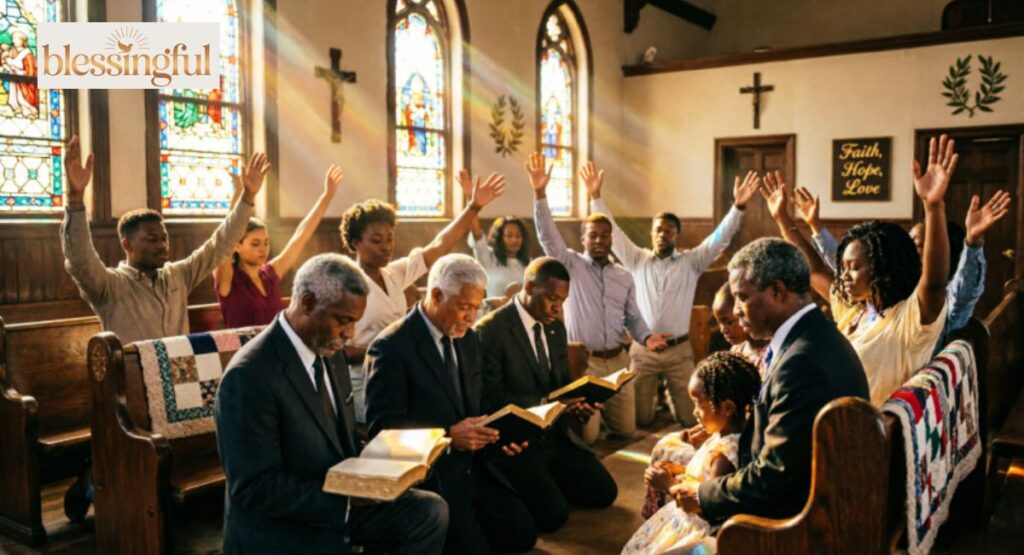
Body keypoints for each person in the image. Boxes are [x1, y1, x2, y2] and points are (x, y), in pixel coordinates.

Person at [59, 137, 264, 522]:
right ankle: (94, 479)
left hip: (179, 384)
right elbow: (79, 260)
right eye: (151, 239)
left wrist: (247, 199)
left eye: (164, 236)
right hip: (129, 391)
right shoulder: (109, 286)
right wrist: (75, 198)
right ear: (126, 244)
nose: (162, 244)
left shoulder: (178, 276)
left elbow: (219, 246)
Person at [215, 254, 447, 554]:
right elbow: (256, 490)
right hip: (284, 527)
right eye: (343, 321)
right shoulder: (249, 377)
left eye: (354, 323)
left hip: (335, 501)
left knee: (429, 512)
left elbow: (339, 438)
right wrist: (350, 498)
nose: (350, 334)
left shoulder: (329, 351)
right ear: (308, 303)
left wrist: (393, 464)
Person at [672, 238, 869, 524]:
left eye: (742, 297)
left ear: (777, 290)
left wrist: (704, 494)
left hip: (792, 521)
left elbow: (774, 477)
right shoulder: (812, 335)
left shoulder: (802, 362)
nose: (737, 310)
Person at [763, 134, 957, 404]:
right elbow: (816, 271)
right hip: (837, 422)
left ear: (881, 269)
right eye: (843, 267)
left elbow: (934, 282)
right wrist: (783, 218)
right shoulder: (857, 311)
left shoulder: (909, 320)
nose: (844, 276)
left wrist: (933, 206)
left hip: (874, 432)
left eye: (853, 268)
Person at [365, 254, 537, 554]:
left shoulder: (467, 339)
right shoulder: (391, 347)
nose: (472, 318)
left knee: (522, 534)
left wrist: (501, 434)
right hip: (432, 474)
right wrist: (447, 436)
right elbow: (383, 431)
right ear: (435, 295)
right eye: (464, 307)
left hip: (474, 465)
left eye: (477, 307)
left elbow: (477, 404)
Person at [585, 162, 760, 428]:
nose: (663, 234)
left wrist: (738, 207)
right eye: (658, 229)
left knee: (692, 420)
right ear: (652, 233)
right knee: (641, 419)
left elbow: (718, 240)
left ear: (676, 234)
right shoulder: (637, 259)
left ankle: (670, 396)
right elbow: (615, 235)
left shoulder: (690, 262)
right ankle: (654, 400)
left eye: (668, 230)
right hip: (643, 352)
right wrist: (595, 198)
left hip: (679, 352)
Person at [341, 173, 507, 422]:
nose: (386, 246)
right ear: (355, 242)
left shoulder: (394, 274)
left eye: (389, 239)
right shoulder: (346, 283)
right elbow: (336, 350)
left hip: (411, 369)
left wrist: (473, 207)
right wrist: (385, 348)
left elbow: (440, 246)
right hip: (365, 381)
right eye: (376, 241)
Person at [528, 152, 670, 443]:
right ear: (583, 239)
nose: (599, 241)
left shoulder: (623, 276)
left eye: (605, 236)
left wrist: (646, 337)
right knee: (588, 438)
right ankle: (590, 419)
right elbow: (547, 236)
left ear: (611, 240)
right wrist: (540, 193)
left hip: (618, 360)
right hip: (586, 363)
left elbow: (633, 317)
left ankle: (604, 415)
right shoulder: (571, 266)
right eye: (593, 236)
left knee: (627, 431)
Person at [475, 257, 618, 533]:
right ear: (529, 287)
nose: (558, 307)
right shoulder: (491, 330)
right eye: (552, 298)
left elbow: (562, 384)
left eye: (563, 300)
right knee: (553, 517)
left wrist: (577, 404)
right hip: (519, 441)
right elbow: (491, 399)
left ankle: (549, 482)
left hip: (555, 433)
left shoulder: (554, 327)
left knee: (604, 493)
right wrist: (544, 404)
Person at [800, 186, 1011, 347]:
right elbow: (842, 264)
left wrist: (972, 242)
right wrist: (814, 225)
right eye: (908, 242)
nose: (910, 249)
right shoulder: (877, 297)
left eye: (918, 245)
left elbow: (957, 291)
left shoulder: (924, 306)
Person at [639, 282, 770, 519]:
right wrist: (700, 431)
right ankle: (658, 515)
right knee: (667, 444)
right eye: (719, 322)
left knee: (667, 452)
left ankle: (669, 516)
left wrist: (712, 434)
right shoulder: (737, 351)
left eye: (730, 320)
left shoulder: (768, 360)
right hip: (722, 429)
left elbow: (742, 413)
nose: (723, 329)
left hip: (738, 440)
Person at [624, 352, 761, 554]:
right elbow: (704, 481)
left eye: (700, 404)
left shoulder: (723, 457)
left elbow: (712, 511)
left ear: (727, 408)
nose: (695, 412)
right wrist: (679, 470)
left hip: (695, 531)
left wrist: (669, 485)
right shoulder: (725, 436)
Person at [214, 163, 344, 327]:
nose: (263, 249)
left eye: (266, 243)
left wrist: (327, 196)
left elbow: (301, 236)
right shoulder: (228, 281)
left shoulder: (270, 274)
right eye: (255, 244)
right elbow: (226, 238)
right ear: (237, 246)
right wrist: (240, 196)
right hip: (244, 351)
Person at [458, 169, 532, 307]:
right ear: (499, 238)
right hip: (496, 318)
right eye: (509, 236)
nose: (514, 240)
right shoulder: (489, 259)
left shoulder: (529, 264)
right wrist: (470, 198)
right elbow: (477, 234)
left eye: (518, 236)